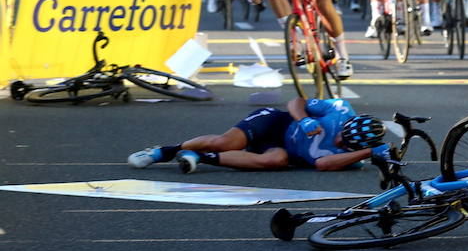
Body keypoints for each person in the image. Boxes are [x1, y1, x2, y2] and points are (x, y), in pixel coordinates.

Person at [125, 99, 384, 173]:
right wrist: (303, 119)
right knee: (226, 142)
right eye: (341, 135)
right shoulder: (338, 109)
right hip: (275, 123)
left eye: (344, 145)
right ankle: (165, 151)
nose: (338, 142)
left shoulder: (354, 156)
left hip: (284, 150)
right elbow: (296, 101)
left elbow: (321, 164)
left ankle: (201, 158)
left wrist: (370, 152)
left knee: (275, 161)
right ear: (347, 122)